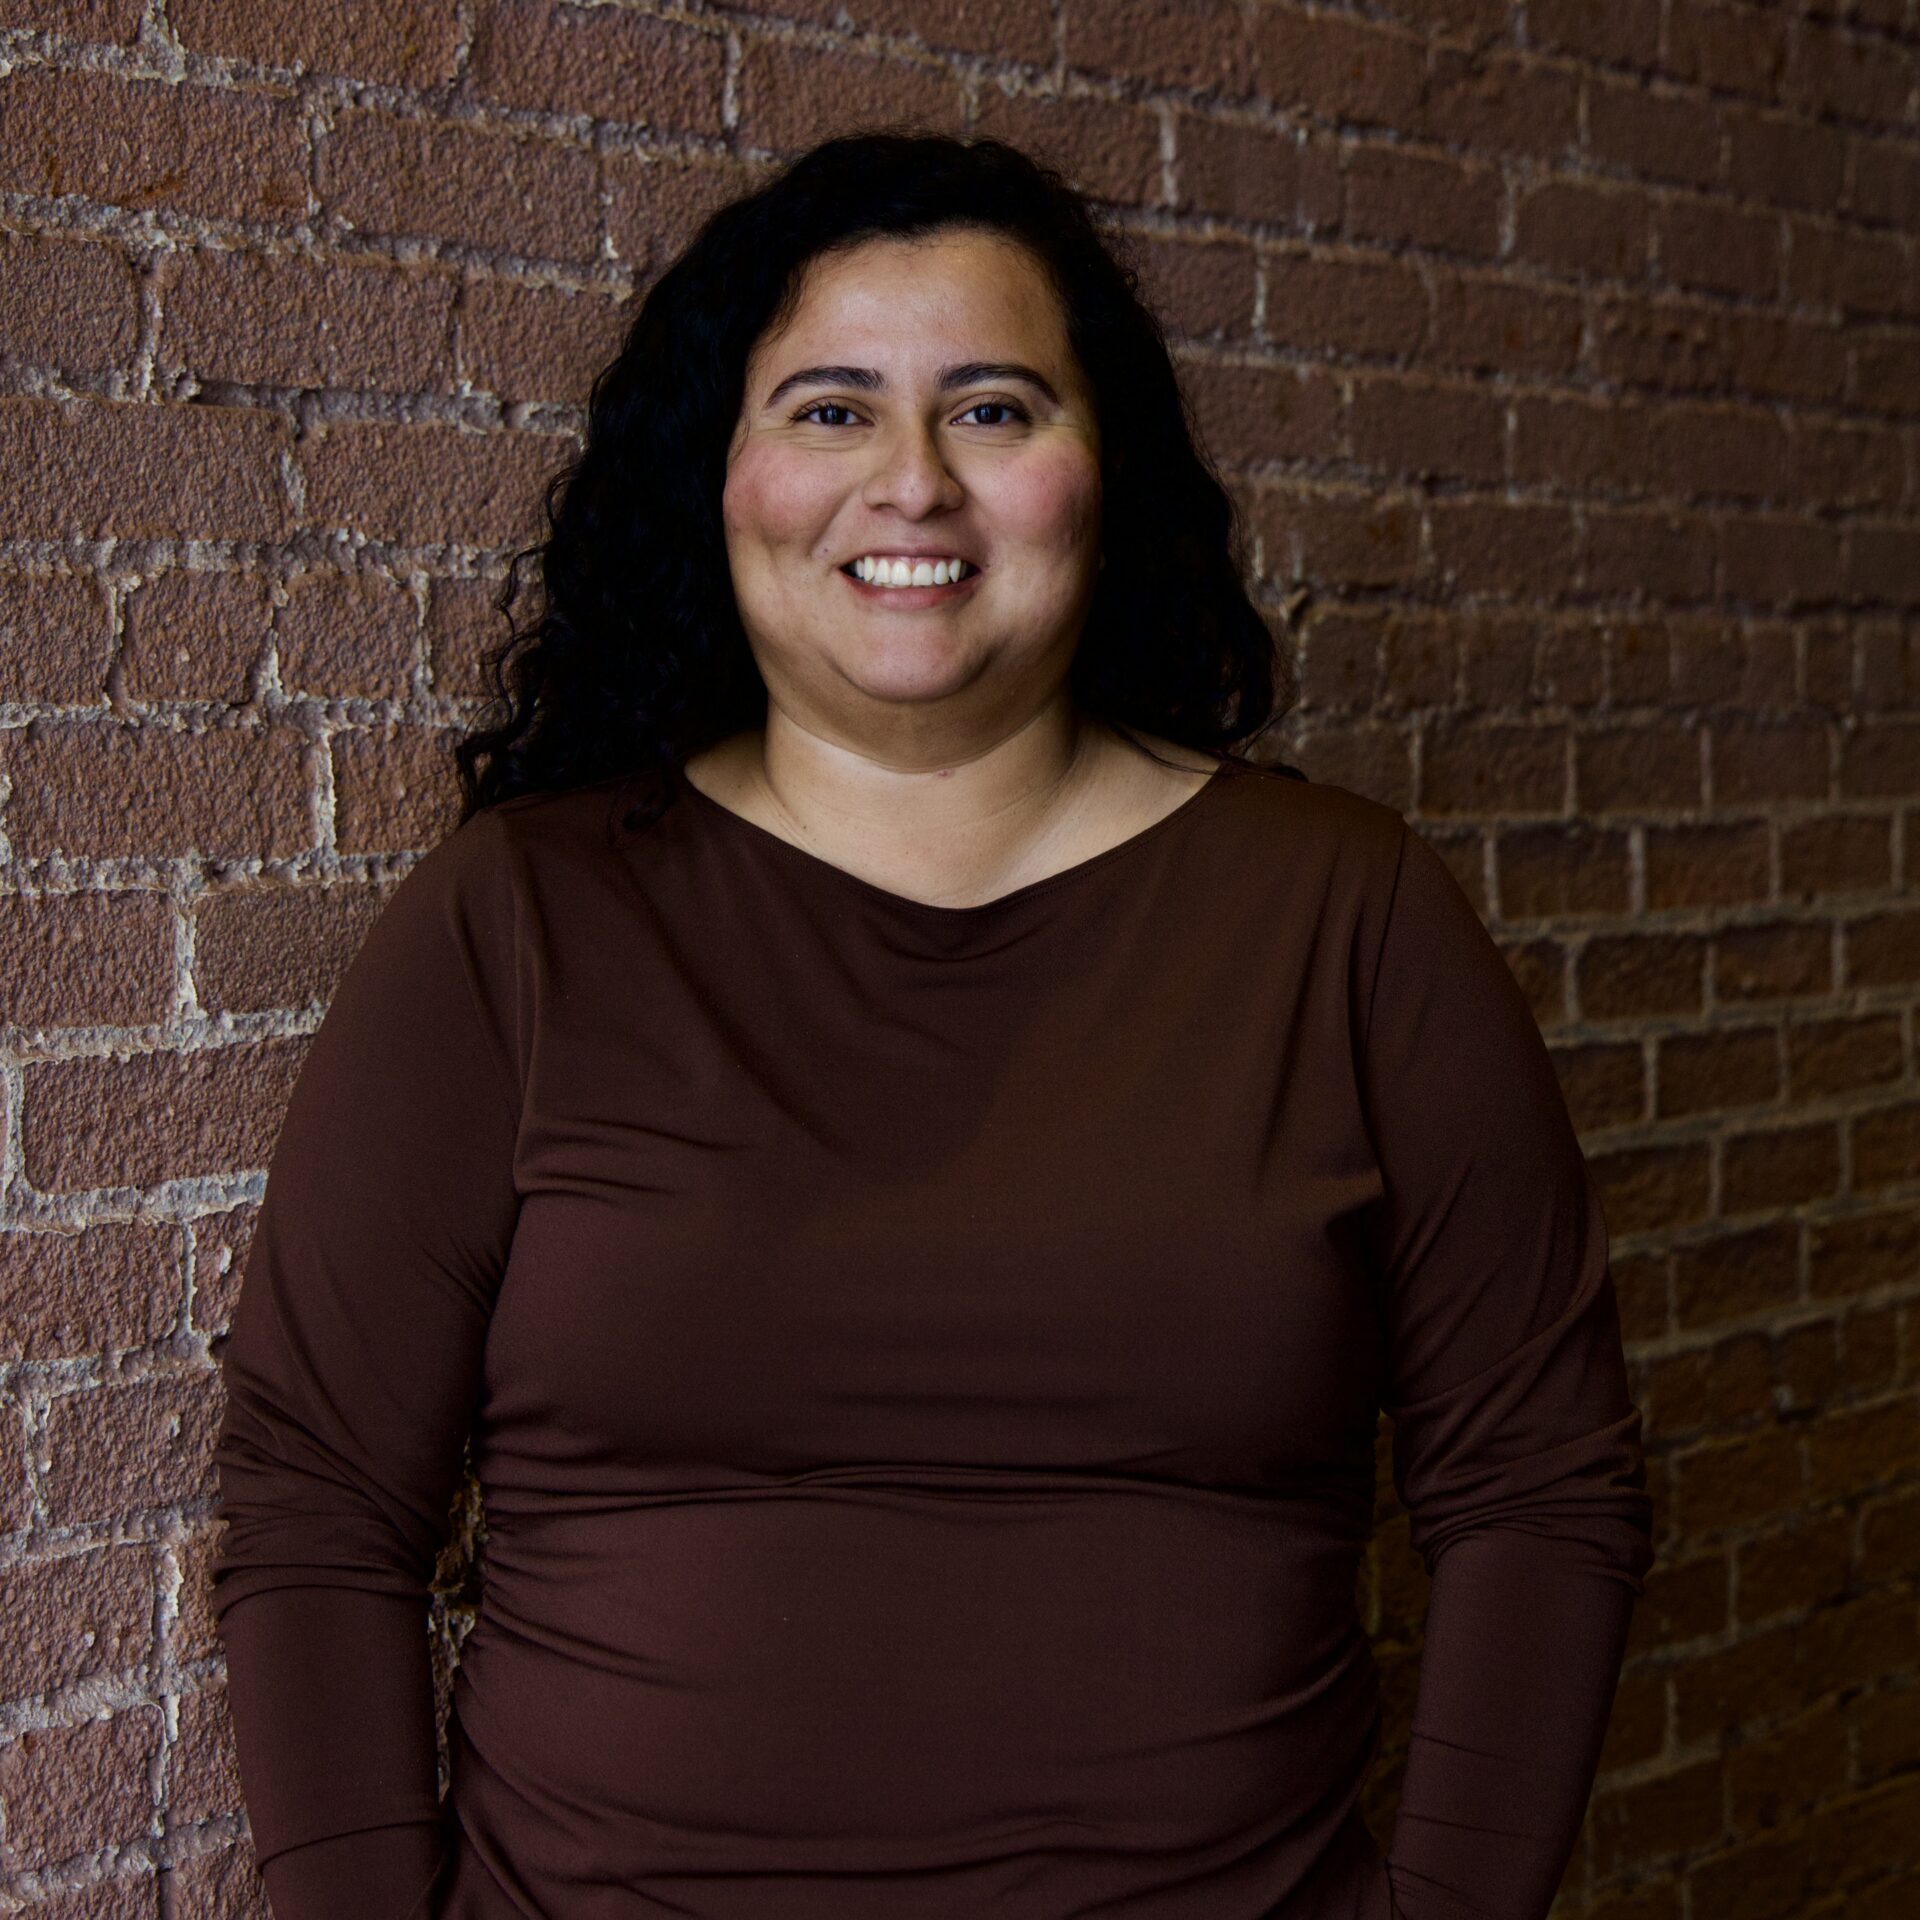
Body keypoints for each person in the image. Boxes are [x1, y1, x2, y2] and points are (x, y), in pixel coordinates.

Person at [209, 130, 1655, 1920]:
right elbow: (313, 1510)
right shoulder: (519, 925)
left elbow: (1543, 1487)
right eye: (828, 411)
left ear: (1098, 473)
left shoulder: (1346, 918)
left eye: (991, 410)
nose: (910, 485)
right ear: (713, 478)